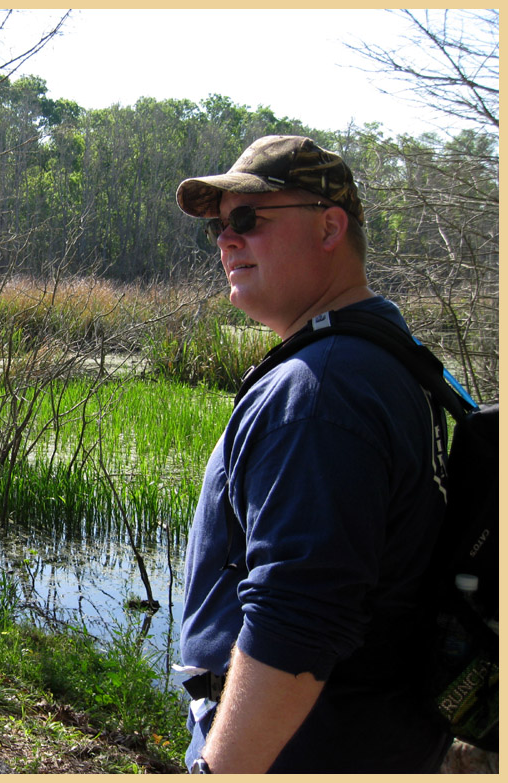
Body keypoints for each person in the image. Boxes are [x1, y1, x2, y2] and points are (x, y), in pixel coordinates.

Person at [173, 135, 453, 773]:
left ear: (330, 227)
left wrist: (223, 769)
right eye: (219, 226)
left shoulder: (320, 391)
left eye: (248, 218)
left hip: (300, 753)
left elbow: (297, 618)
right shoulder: (384, 358)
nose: (225, 239)